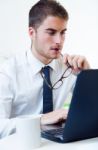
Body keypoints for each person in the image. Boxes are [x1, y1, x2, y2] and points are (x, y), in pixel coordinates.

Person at [0, 0, 90, 138]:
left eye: (63, 32)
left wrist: (87, 77)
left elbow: (91, 111)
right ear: (32, 33)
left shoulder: (69, 67)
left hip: (58, 142)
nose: (59, 41)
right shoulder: (8, 72)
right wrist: (40, 120)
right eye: (51, 32)